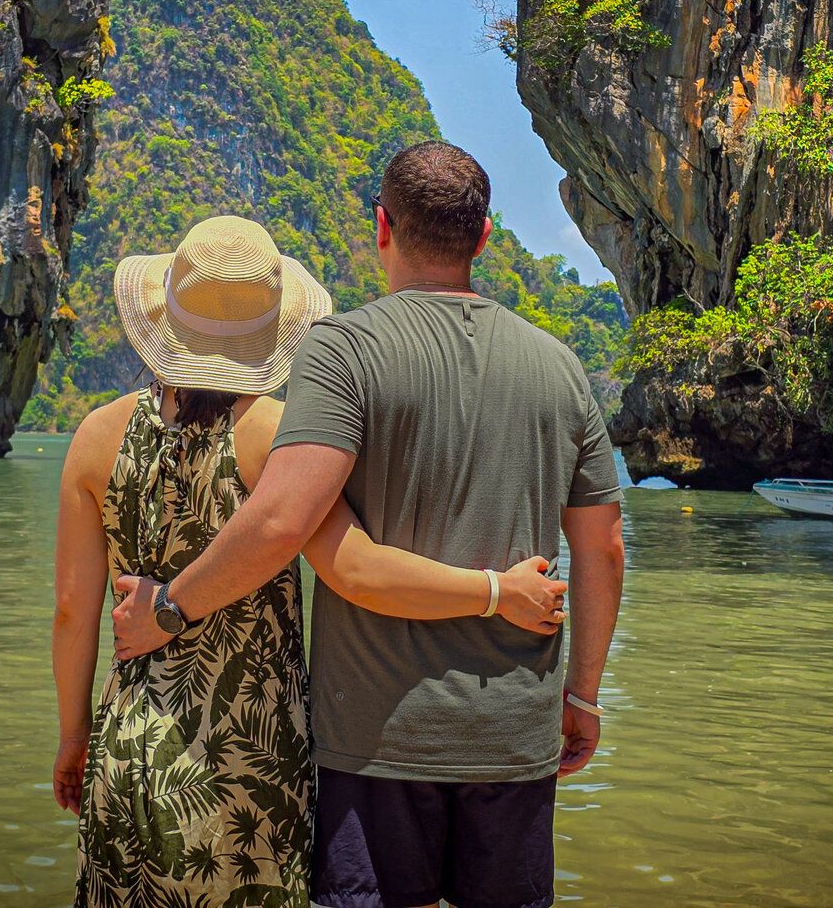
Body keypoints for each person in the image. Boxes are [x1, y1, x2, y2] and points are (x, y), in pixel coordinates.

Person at [114, 143, 626, 908]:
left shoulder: (343, 351)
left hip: (378, 734)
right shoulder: (561, 368)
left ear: (381, 227)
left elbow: (281, 519)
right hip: (512, 731)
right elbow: (603, 551)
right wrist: (581, 695)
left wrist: (167, 607)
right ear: (484, 238)